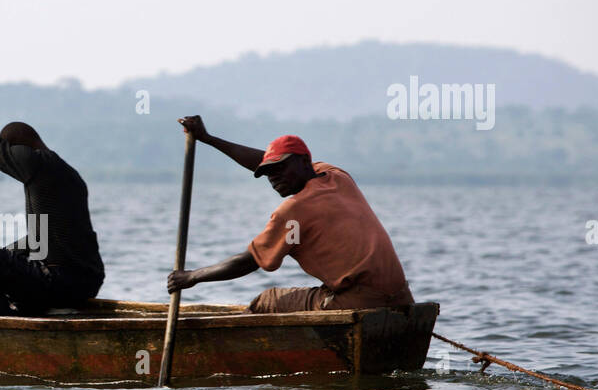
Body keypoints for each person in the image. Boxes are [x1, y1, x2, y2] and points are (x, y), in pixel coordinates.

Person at [166, 117, 413, 313]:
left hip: (360, 302)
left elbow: (249, 261)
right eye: (269, 173)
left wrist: (191, 277)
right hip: (401, 297)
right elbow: (264, 162)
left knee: (266, 301)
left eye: (281, 169)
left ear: (305, 162)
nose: (275, 178)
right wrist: (208, 139)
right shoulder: (336, 177)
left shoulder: (293, 211)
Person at [0, 105, 105, 315]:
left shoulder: (37, 162)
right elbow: (40, 239)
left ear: (20, 150)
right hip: (84, 284)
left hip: (59, 281)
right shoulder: (67, 175)